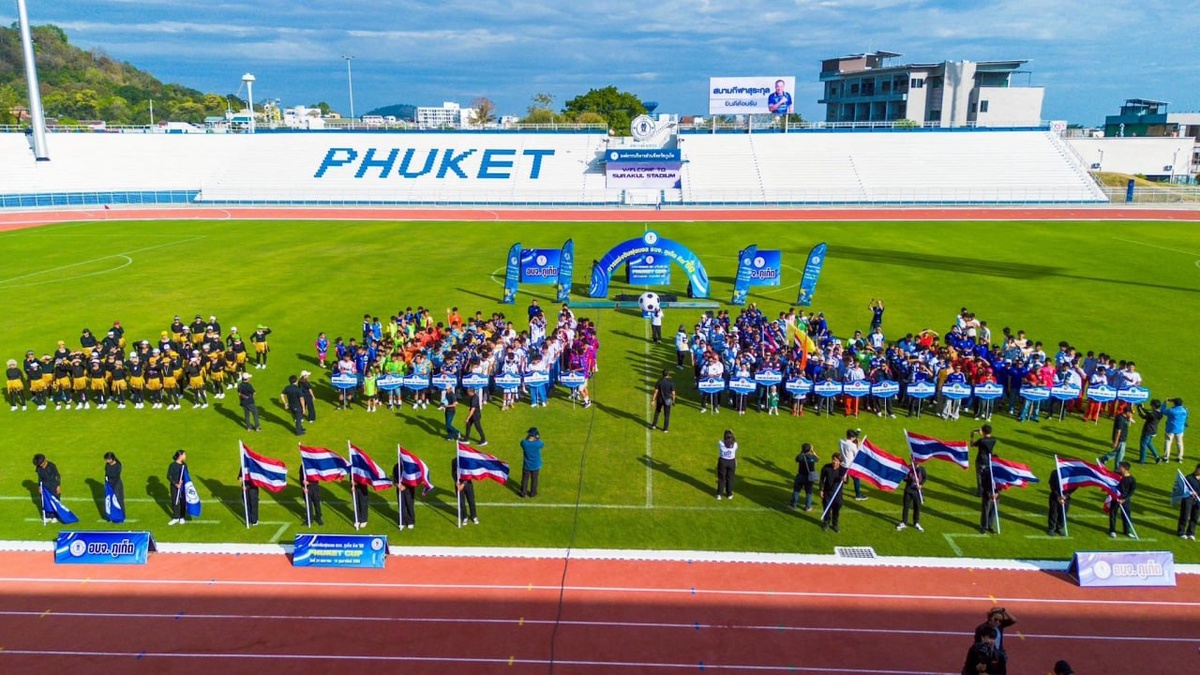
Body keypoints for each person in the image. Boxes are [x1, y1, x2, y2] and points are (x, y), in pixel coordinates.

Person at [819, 453, 847, 532]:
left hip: (838, 494)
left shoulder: (843, 470)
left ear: (840, 462)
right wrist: (821, 490)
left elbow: (846, 481)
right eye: (834, 460)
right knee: (827, 509)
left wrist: (844, 479)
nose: (834, 462)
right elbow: (821, 479)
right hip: (827, 493)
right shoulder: (826, 467)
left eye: (837, 460)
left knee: (836, 511)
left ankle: (835, 525)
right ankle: (826, 523)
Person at [1108, 461, 1137, 539]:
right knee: (1113, 514)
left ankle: (1127, 531)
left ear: (1125, 469)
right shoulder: (1117, 475)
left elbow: (1132, 491)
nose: (1119, 468)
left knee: (1126, 516)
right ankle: (1112, 530)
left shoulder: (1132, 479)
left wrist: (1124, 499)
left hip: (1125, 500)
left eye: (1120, 467)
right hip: (1115, 498)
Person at [897, 462, 926, 532]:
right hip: (908, 490)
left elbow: (925, 478)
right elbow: (904, 478)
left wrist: (921, 485)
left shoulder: (922, 469)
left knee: (917, 507)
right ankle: (904, 522)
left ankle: (916, 522)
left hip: (917, 492)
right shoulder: (908, 468)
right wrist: (912, 479)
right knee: (906, 506)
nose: (917, 464)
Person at [838, 428, 867, 500]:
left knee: (841, 481)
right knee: (856, 479)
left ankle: (838, 494)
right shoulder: (852, 445)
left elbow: (846, 442)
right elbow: (857, 454)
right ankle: (858, 495)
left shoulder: (840, 441)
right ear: (852, 437)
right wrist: (858, 446)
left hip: (842, 464)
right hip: (850, 466)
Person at [790, 443, 819, 511]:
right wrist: (812, 451)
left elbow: (796, 459)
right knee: (809, 492)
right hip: (809, 477)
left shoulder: (801, 457)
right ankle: (808, 507)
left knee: (796, 491)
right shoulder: (812, 457)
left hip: (800, 476)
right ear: (809, 449)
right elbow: (817, 459)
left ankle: (793, 505)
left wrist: (802, 452)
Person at [33, 453, 62, 521]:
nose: (40, 465)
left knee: (54, 500)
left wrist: (58, 485)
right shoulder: (38, 468)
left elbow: (57, 475)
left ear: (44, 460)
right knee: (45, 501)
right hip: (45, 486)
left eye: (41, 464)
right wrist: (39, 486)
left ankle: (55, 516)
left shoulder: (52, 466)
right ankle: (48, 516)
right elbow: (39, 477)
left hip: (53, 485)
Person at [971, 425, 997, 497]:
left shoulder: (981, 441)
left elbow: (972, 444)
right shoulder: (994, 439)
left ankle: (980, 492)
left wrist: (972, 436)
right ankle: (988, 490)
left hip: (980, 460)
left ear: (983, 432)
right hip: (989, 460)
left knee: (979, 477)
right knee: (987, 477)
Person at [451, 455, 478, 525]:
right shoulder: (454, 461)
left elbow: (469, 474)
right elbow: (453, 473)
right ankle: (465, 517)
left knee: (471, 501)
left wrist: (463, 484)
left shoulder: (467, 461)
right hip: (458, 484)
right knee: (461, 502)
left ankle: (474, 516)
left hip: (468, 484)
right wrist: (457, 483)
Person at [1176, 462, 1200, 540]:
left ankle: (1191, 533)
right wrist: (1191, 492)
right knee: (1185, 515)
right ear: (1197, 469)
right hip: (1188, 498)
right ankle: (1181, 532)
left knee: (1195, 517)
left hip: (1197, 500)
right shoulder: (1189, 478)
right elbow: (1183, 489)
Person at [1136, 399, 1164, 463]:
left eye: (1151, 405)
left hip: (1147, 431)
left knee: (1143, 445)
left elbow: (1143, 416)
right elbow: (1148, 412)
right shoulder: (1160, 413)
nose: (1150, 406)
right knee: (1149, 443)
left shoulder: (1152, 414)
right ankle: (1157, 457)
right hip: (1154, 431)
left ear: (1153, 406)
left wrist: (1138, 409)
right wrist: (1142, 408)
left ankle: (1142, 460)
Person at [519, 427, 544, 498]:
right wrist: (538, 438)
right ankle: (533, 493)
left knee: (524, 479)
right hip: (536, 465)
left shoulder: (524, 443)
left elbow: (523, 441)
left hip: (526, 465)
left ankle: (523, 493)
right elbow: (542, 444)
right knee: (534, 479)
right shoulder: (538, 443)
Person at [1162, 398, 1188, 463]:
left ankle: (1166, 458)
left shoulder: (1171, 411)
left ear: (1174, 403)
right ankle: (1180, 458)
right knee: (1180, 443)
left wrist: (1164, 403)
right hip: (1180, 429)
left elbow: (1163, 411)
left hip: (1170, 429)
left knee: (1168, 442)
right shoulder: (1184, 410)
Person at [1047, 466, 1071, 536]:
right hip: (1054, 497)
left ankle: (1059, 528)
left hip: (1065, 498)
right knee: (1053, 512)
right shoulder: (1055, 473)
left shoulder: (1070, 474)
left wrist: (1065, 496)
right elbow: (1052, 485)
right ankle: (1051, 528)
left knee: (1063, 513)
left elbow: (1073, 487)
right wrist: (1058, 497)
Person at [650, 368, 676, 432]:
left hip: (660, 399)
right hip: (668, 400)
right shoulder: (671, 382)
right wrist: (673, 400)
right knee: (667, 415)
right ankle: (665, 429)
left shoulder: (659, 381)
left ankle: (654, 425)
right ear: (668, 374)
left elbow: (656, 392)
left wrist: (653, 400)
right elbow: (673, 393)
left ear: (662, 374)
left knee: (657, 412)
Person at [167, 449, 188, 525]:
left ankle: (182, 517)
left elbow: (186, 475)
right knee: (175, 501)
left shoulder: (184, 465)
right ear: (180, 456)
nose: (185, 456)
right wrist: (176, 484)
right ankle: (176, 517)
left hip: (182, 486)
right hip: (174, 486)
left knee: (182, 501)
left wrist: (183, 482)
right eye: (184, 454)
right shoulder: (172, 465)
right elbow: (168, 476)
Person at [391, 464, 415, 529]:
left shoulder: (410, 465)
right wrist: (397, 485)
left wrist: (405, 486)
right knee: (401, 505)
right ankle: (402, 521)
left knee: (409, 504)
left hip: (409, 488)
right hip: (399, 488)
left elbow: (412, 478)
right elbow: (394, 477)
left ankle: (410, 521)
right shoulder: (397, 466)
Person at [716, 429, 737, 500]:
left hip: (723, 461)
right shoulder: (735, 444)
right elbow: (734, 440)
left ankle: (719, 494)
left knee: (721, 478)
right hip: (731, 462)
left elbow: (723, 440)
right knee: (730, 478)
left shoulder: (720, 443)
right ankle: (729, 494)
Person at [980, 457, 998, 534]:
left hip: (996, 496)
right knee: (985, 511)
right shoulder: (986, 471)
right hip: (987, 495)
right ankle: (983, 526)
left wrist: (997, 493)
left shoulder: (999, 472)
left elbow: (1002, 484)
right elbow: (983, 484)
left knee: (993, 511)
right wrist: (989, 494)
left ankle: (990, 526)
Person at [103, 451, 124, 522]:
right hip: (109, 484)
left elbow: (116, 476)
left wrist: (112, 485)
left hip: (116, 484)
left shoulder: (118, 465)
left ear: (112, 459)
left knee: (118, 500)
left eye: (107, 459)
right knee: (109, 501)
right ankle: (111, 516)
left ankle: (120, 516)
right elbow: (106, 474)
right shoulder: (107, 465)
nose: (107, 461)